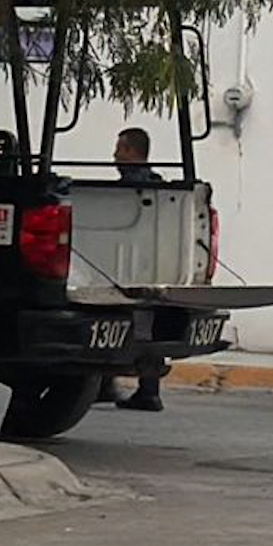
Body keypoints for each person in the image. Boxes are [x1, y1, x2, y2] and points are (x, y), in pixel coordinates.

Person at [99, 128, 166, 412]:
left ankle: (107, 385)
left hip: (129, 271)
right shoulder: (160, 186)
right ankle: (147, 390)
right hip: (156, 269)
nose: (115, 155)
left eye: (120, 149)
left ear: (133, 152)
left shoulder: (127, 189)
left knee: (117, 324)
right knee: (149, 331)